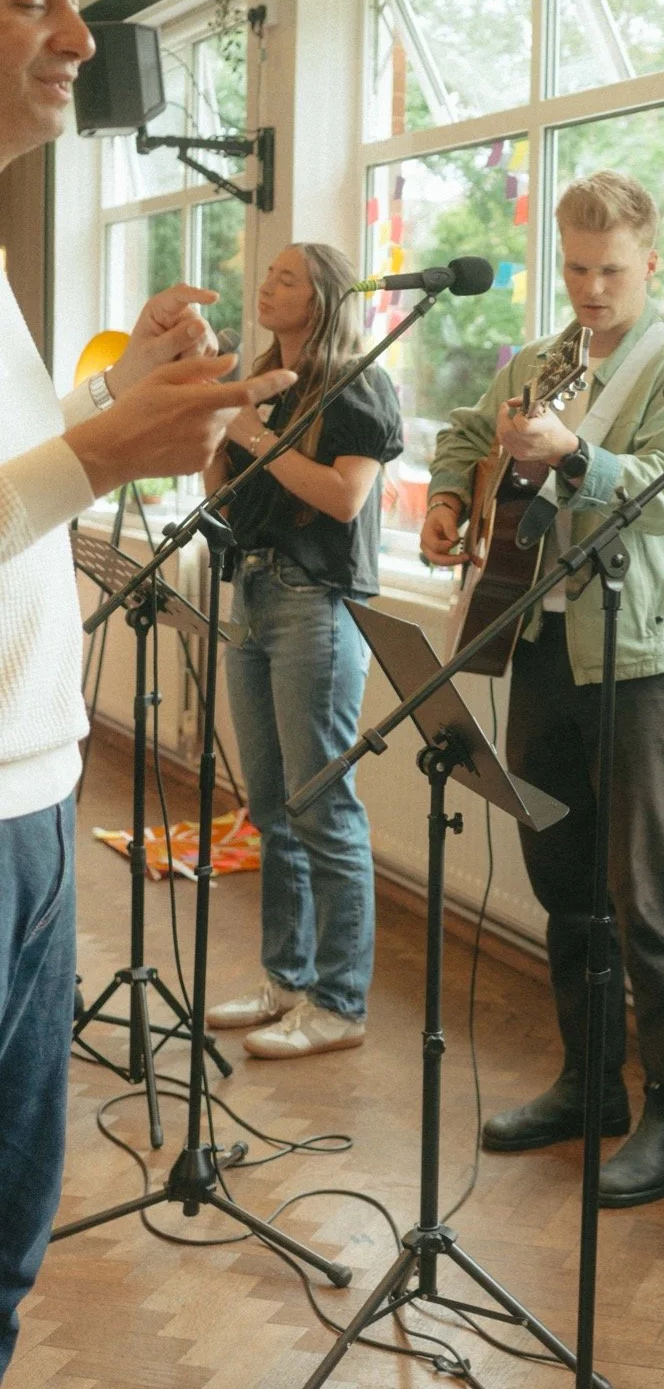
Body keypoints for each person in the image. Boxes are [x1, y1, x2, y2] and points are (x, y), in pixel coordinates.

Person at [0, 0, 296, 1380]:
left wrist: (106, 409)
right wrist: (102, 451)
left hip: (41, 801)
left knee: (8, 1241)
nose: (76, 37)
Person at [421, 171, 664, 1207]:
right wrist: (441, 500)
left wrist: (575, 455)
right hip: (544, 641)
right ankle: (587, 1083)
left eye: (609, 268)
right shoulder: (548, 356)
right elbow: (471, 430)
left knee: (650, 891)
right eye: (574, 266)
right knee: (557, 870)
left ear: (653, 259)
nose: (590, 287)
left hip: (638, 657)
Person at [203, 244, 403, 1060]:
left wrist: (252, 434)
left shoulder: (358, 382)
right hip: (248, 591)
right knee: (269, 806)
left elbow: (343, 496)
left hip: (312, 603)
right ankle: (286, 980)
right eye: (268, 273)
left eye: (287, 276)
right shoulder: (259, 381)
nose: (266, 283)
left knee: (324, 807)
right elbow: (217, 493)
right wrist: (220, 427)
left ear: (322, 298)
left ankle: (340, 1002)